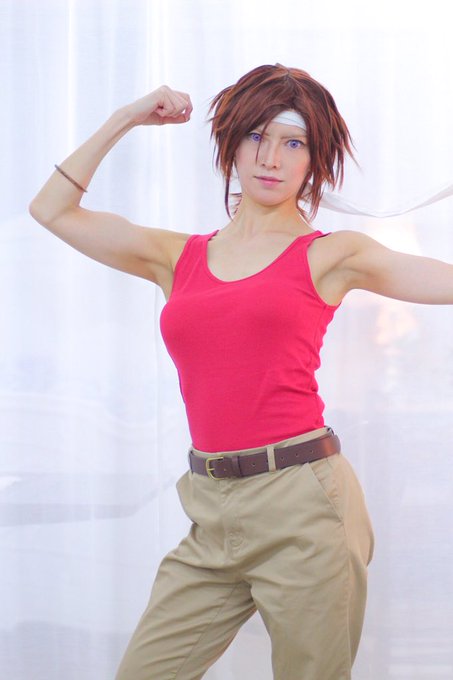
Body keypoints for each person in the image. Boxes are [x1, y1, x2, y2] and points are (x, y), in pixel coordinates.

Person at [29, 63, 453, 680]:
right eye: (255, 135)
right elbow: (52, 210)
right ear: (230, 143)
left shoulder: (333, 255)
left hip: (304, 506)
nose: (271, 158)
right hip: (210, 509)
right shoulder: (177, 256)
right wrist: (129, 116)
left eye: (293, 143)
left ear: (315, 160)